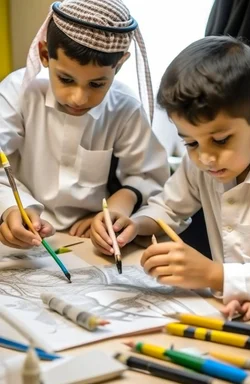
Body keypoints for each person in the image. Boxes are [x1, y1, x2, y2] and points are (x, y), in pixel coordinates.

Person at [92, 35, 250, 320]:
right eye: (190, 143)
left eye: (220, 140)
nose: (204, 158)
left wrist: (213, 274)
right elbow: (168, 208)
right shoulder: (202, 166)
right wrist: (133, 225)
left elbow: (222, 276)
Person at [0, 0, 169, 249]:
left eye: (97, 84)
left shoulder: (125, 107)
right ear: (45, 55)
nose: (79, 98)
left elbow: (150, 178)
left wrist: (116, 208)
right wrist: (12, 208)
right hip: (24, 235)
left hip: (89, 241)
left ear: (119, 65)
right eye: (66, 79)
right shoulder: (19, 91)